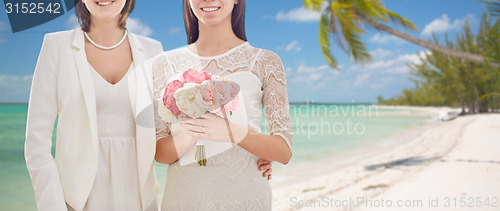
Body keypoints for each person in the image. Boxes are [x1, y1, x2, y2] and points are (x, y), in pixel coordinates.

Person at [153, 0, 292, 210]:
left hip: (246, 197)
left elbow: (283, 151)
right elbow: (160, 153)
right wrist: (195, 131)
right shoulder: (164, 64)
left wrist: (230, 131)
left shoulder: (265, 61)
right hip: (183, 198)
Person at [24, 0, 163, 210]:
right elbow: (36, 144)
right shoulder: (56, 46)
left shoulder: (153, 50)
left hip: (140, 200)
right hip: (76, 201)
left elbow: (167, 131)